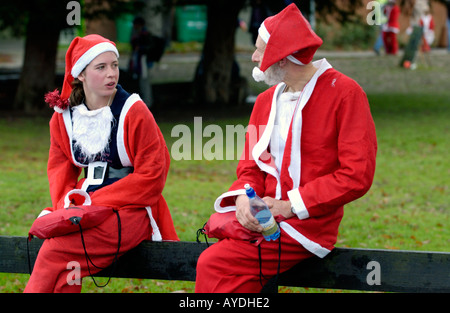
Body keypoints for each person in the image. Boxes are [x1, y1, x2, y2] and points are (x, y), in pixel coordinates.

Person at [195, 4, 377, 293]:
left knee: (215, 264)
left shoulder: (345, 93)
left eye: (260, 50)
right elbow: (250, 167)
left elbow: (357, 175)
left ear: (281, 57)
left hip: (308, 228)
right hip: (263, 222)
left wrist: (289, 206)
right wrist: (243, 199)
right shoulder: (266, 101)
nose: (254, 58)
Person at [24, 34, 178, 293]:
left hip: (133, 211)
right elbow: (60, 171)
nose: (111, 74)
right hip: (85, 211)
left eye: (114, 65)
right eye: (101, 67)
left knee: (54, 251)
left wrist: (95, 202)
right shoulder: (64, 120)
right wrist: (68, 209)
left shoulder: (133, 112)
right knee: (66, 268)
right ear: (81, 75)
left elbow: (152, 177)